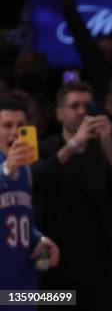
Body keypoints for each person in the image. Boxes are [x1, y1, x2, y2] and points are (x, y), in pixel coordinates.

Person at [32, 81, 112, 311]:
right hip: (54, 266)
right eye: (74, 105)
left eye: (87, 105)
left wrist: (107, 142)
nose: (82, 111)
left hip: (98, 264)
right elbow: (38, 178)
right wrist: (75, 143)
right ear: (59, 113)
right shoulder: (45, 148)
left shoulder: (104, 151)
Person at [0, 97, 59, 311]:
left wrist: (40, 240)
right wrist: (6, 170)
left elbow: (23, 219)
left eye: (20, 126)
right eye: (7, 125)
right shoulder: (9, 168)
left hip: (22, 284)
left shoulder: (25, 169)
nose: (15, 132)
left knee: (65, 298)